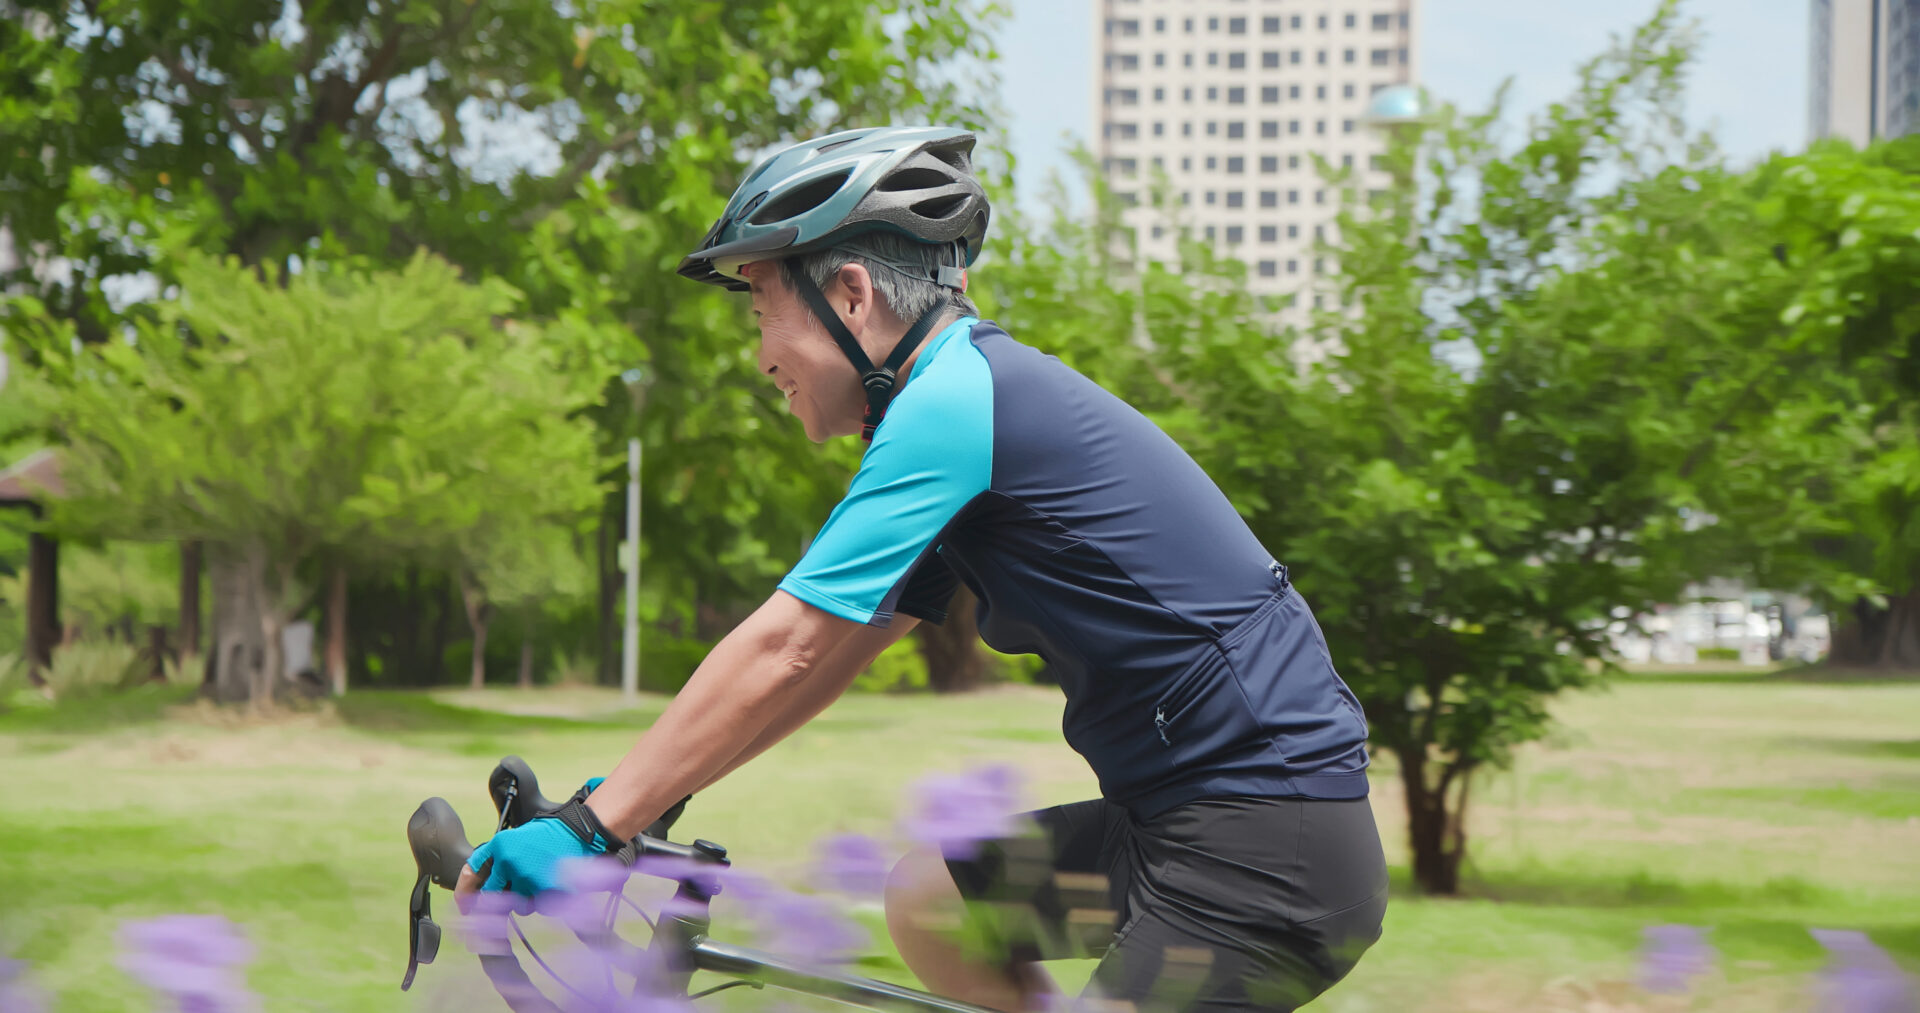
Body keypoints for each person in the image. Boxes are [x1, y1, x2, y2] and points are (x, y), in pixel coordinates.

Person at [456, 126, 1387, 1012]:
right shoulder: (956, 406)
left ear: (851, 294)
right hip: (1174, 823)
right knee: (931, 902)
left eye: (761, 309)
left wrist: (593, 828)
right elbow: (828, 654)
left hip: (1265, 844)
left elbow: (786, 640)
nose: (761, 358)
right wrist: (628, 803)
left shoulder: (954, 402)